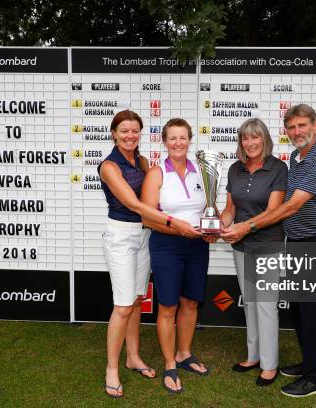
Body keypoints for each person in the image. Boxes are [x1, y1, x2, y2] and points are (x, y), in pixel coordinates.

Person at [220, 104, 316, 397]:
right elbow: (232, 207)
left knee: (313, 310)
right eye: (292, 127)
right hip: (296, 240)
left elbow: (292, 206)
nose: (297, 132)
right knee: (300, 309)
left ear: (315, 126)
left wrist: (246, 227)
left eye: (302, 126)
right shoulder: (298, 158)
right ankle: (310, 362)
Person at [98, 110, 201, 398]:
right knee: (122, 305)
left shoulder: (142, 161)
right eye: (124, 131)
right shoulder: (109, 166)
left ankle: (133, 357)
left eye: (135, 131)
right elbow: (135, 205)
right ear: (114, 134)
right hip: (121, 235)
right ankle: (112, 369)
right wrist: (175, 222)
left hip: (144, 236)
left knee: (136, 299)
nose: (130, 136)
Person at [141, 118, 214, 394]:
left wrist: (212, 228)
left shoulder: (201, 171)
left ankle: (184, 354)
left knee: (191, 303)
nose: (178, 143)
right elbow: (148, 217)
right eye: (173, 138)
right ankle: (170, 364)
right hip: (167, 246)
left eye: (183, 138)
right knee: (168, 307)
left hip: (197, 246)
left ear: (190, 140)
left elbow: (211, 207)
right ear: (164, 141)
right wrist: (177, 227)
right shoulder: (157, 173)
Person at [219, 118, 288, 386]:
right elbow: (230, 208)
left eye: (255, 137)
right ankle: (254, 355)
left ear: (264, 139)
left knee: (266, 304)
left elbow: (273, 212)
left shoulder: (278, 168)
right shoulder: (235, 169)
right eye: (245, 138)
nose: (250, 143)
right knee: (249, 301)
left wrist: (243, 228)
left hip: (266, 243)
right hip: (240, 245)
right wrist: (221, 222)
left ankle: (270, 364)